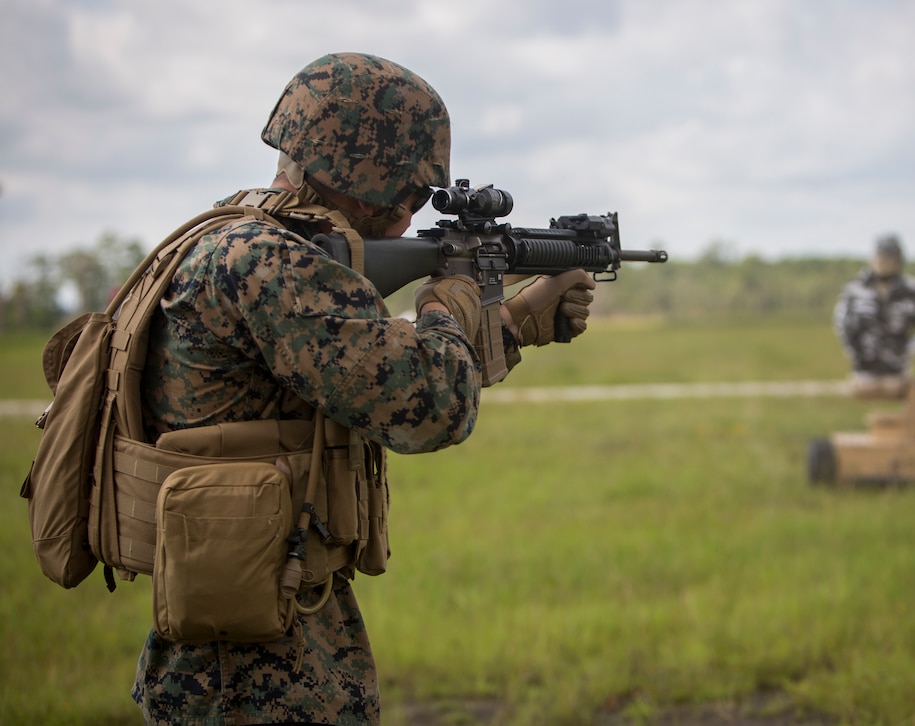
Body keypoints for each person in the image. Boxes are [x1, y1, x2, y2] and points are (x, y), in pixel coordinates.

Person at [130, 52, 595, 725]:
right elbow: (428, 407)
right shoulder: (269, 262)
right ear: (359, 168)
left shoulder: (232, 239)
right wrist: (452, 303)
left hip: (261, 614)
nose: (408, 218)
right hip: (251, 663)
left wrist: (513, 323)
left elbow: (358, 370)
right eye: (405, 192)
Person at [832, 235, 915, 397]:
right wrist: (855, 353)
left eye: (888, 257)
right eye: (880, 256)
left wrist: (905, 353)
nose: (883, 262)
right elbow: (842, 324)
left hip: (897, 370)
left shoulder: (911, 290)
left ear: (898, 260)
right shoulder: (855, 289)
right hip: (863, 370)